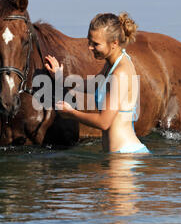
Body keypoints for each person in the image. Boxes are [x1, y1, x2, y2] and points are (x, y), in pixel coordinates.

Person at [44, 12, 151, 154]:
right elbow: (94, 84)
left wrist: (71, 113)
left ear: (114, 43)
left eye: (96, 44)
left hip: (124, 156)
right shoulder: (112, 64)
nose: (89, 47)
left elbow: (104, 122)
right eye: (89, 41)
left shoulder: (120, 72)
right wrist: (60, 78)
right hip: (118, 155)